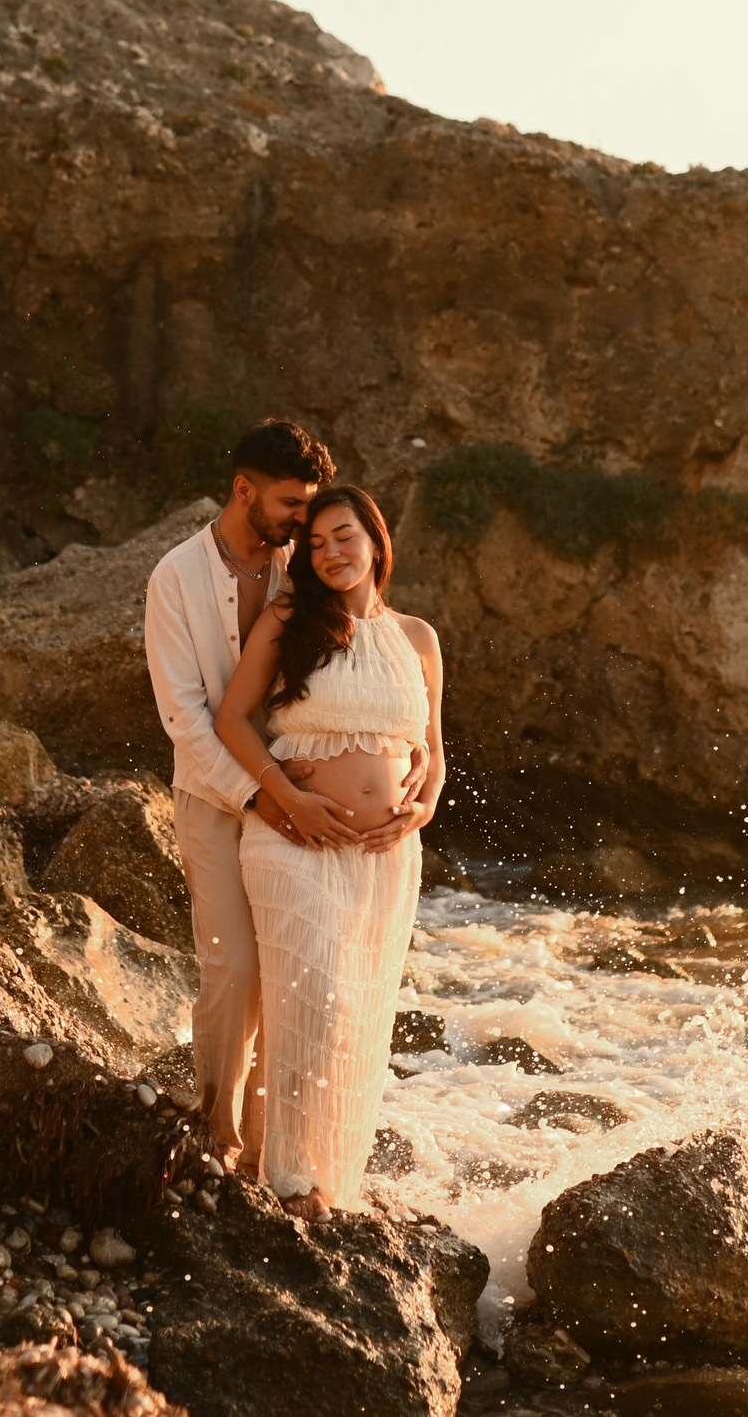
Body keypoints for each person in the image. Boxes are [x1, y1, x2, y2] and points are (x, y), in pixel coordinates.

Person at [143, 422, 421, 1172]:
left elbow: (368, 665)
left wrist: (412, 776)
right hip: (218, 793)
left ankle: (275, 1153)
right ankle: (215, 1134)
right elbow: (188, 717)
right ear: (244, 491)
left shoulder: (306, 561)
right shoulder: (176, 577)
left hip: (302, 804)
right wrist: (268, 796)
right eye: (292, 505)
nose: (305, 523)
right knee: (233, 970)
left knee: (297, 980)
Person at [215, 485, 444, 1218]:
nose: (330, 553)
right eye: (315, 544)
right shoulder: (290, 618)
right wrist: (285, 792)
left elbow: (433, 752)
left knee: (355, 1019)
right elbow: (232, 718)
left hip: (383, 858)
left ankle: (321, 1175)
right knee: (314, 997)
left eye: (344, 536)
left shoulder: (417, 638)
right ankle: (288, 1179)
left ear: (375, 539)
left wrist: (423, 806)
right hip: (295, 840)